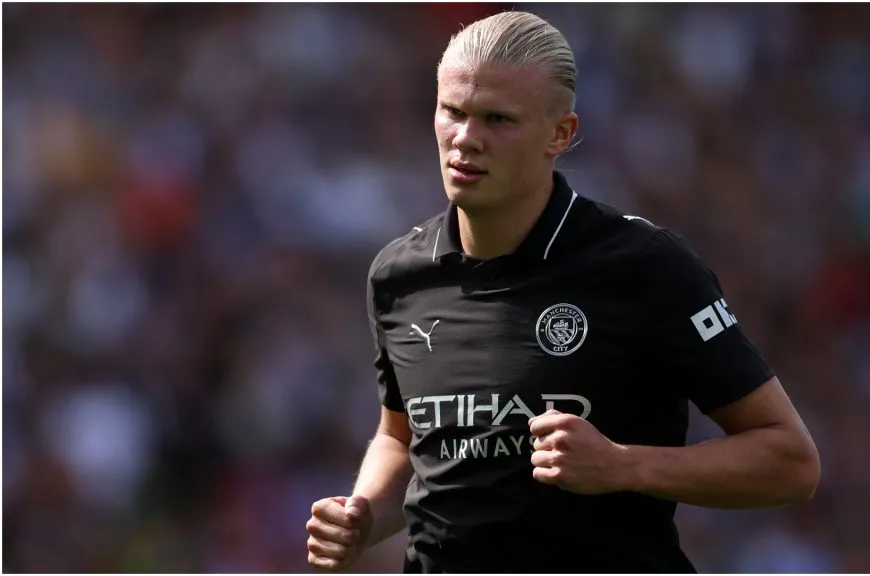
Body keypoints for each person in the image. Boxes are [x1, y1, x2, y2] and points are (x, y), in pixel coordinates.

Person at [306, 10, 820, 574]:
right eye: (452, 112)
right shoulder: (399, 275)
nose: (466, 139)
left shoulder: (643, 266)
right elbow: (406, 440)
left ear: (561, 133)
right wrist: (363, 516)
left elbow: (790, 462)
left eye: (498, 119)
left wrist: (623, 466)